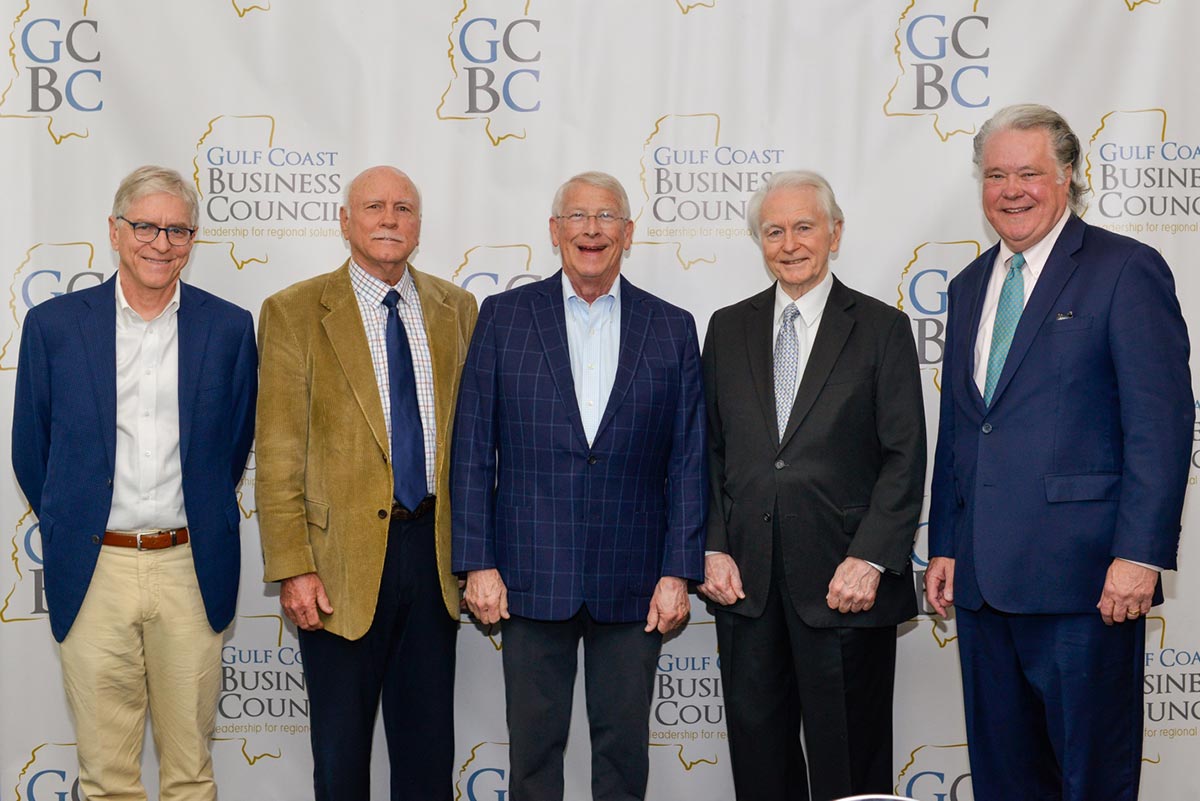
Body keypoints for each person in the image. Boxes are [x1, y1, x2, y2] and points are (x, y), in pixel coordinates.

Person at [925, 104, 1192, 801]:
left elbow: (1160, 425)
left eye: (1029, 173)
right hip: (983, 584)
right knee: (1005, 778)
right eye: (996, 175)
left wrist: (1139, 555)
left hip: (1087, 584)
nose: (1011, 189)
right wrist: (947, 543)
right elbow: (962, 427)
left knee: (1091, 779)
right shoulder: (969, 285)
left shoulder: (1125, 269)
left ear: (1068, 176)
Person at [451, 171, 707, 801]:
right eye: (577, 217)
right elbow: (473, 450)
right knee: (534, 754)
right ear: (554, 231)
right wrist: (477, 562)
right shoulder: (505, 318)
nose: (591, 230)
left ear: (628, 233)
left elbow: (689, 460)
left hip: (636, 580)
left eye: (606, 218)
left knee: (622, 756)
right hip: (530, 574)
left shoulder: (671, 327)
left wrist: (678, 571)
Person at [11, 165, 257, 801]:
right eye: (144, 226)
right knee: (107, 777)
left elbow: (232, 448)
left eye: (177, 230)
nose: (160, 242)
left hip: (189, 565)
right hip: (96, 569)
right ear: (115, 233)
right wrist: (75, 519)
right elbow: (31, 450)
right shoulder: (55, 326)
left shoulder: (229, 329)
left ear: (193, 240)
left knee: (189, 773)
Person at [699, 170, 926, 800]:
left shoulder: (882, 328)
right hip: (746, 587)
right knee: (760, 767)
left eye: (804, 226)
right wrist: (713, 546)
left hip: (845, 586)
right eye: (774, 230)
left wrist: (872, 557)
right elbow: (708, 452)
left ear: (835, 232)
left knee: (850, 768)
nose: (790, 242)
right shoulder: (726, 329)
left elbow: (905, 456)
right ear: (760, 242)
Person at [255, 165, 478, 801]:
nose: (389, 219)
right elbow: (275, 454)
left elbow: (476, 444)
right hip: (335, 571)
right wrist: (293, 566)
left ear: (418, 226)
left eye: (403, 208)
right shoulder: (295, 312)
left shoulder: (455, 308)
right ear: (345, 221)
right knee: (342, 762)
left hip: (434, 559)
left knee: (428, 760)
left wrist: (477, 552)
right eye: (374, 207)